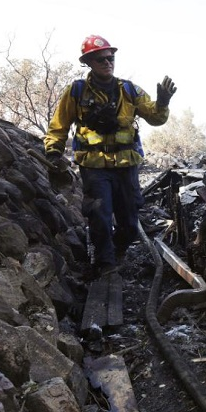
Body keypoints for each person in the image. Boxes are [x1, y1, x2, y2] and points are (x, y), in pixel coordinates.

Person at [44, 34, 177, 277]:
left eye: (110, 57)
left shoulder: (129, 90)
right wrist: (53, 150)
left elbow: (156, 118)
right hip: (94, 166)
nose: (107, 62)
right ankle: (104, 263)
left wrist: (163, 102)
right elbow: (59, 125)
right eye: (101, 59)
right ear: (89, 63)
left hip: (126, 164)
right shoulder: (77, 91)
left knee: (129, 220)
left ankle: (118, 249)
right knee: (99, 214)